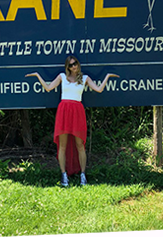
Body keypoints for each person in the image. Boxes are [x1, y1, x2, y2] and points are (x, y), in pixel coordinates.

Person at [26, 56, 119, 187]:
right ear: (67, 67)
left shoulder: (85, 78)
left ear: (78, 64)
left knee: (80, 145)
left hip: (77, 111)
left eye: (75, 64)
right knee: (62, 146)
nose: (73, 67)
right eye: (70, 65)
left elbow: (99, 89)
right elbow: (48, 88)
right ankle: (64, 175)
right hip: (64, 111)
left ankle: (83, 175)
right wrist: (37, 75)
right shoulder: (62, 77)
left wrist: (107, 76)